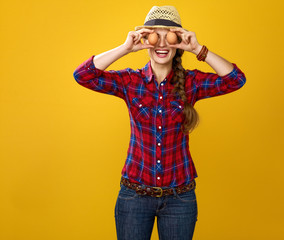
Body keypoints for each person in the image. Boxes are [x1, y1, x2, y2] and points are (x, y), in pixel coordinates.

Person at [73, 5, 246, 240]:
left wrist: (198, 49)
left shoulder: (191, 82)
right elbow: (83, 75)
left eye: (170, 37)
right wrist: (126, 48)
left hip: (179, 198)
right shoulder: (130, 81)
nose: (162, 44)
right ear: (146, 40)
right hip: (134, 196)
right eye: (156, 36)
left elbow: (236, 80)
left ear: (179, 42)